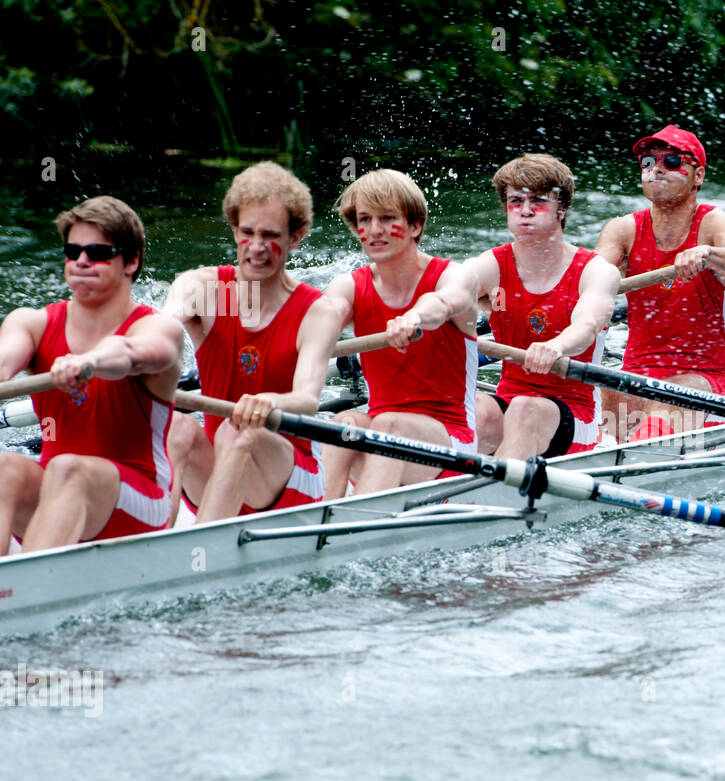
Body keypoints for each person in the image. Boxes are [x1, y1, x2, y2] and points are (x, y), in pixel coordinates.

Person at [0, 196, 182, 554]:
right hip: (57, 488)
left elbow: (128, 354)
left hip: (141, 501)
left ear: (131, 262)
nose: (82, 261)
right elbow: (5, 361)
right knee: (5, 466)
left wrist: (89, 362)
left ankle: (27, 595)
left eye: (98, 252)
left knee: (69, 469)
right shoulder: (31, 322)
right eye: (73, 251)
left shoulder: (158, 328)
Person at [164, 162, 341, 522]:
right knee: (179, 425)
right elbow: (159, 328)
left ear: (296, 236)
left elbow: (307, 399)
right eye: (248, 232)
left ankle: (201, 550)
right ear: (233, 229)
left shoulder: (317, 311)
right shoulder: (200, 288)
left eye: (271, 236)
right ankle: (151, 545)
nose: (257, 248)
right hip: (218, 465)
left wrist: (269, 401)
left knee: (240, 429)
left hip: (289, 477)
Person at [449, 153, 620, 460]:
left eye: (538, 201)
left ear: (562, 208)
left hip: (577, 413)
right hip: (510, 399)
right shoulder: (492, 265)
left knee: (526, 409)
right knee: (472, 408)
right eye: (516, 201)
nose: (525, 211)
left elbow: (587, 325)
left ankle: (486, 496)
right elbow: (447, 294)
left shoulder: (596, 271)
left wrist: (555, 346)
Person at [594, 125, 725, 439]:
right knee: (591, 396)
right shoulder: (622, 229)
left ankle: (638, 453)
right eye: (647, 163)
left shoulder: (713, 222)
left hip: (704, 379)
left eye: (671, 161)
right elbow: (588, 278)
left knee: (666, 402)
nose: (656, 169)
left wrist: (709, 253)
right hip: (636, 376)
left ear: (697, 176)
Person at [321, 169, 479, 497]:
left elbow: (442, 304)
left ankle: (353, 531)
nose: (374, 230)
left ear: (415, 226)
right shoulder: (348, 286)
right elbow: (322, 320)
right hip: (383, 432)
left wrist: (413, 317)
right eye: (365, 219)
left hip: (452, 444)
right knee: (344, 425)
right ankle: (315, 522)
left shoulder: (453, 276)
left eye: (387, 217)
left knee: (388, 426)